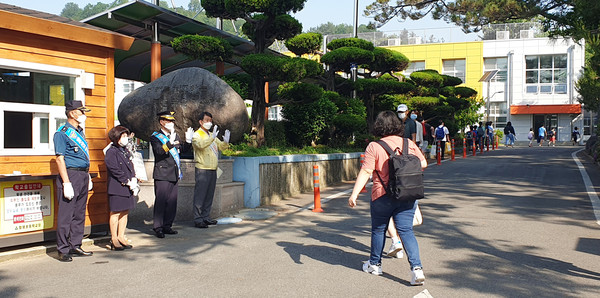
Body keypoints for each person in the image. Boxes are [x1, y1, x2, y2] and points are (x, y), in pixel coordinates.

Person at [348, 110, 427, 286]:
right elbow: (423, 163)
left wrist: (354, 194)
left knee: (378, 230)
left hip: (382, 195)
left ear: (378, 126)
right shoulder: (408, 143)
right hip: (406, 194)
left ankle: (375, 264)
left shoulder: (374, 147)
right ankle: (417, 269)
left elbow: (367, 171)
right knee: (406, 231)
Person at [53, 100, 94, 262]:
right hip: (70, 175)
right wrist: (66, 182)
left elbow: (83, 156)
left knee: (79, 213)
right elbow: (59, 159)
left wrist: (88, 174)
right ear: (72, 113)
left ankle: (75, 244)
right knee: (66, 215)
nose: (84, 115)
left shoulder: (80, 132)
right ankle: (63, 249)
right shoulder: (62, 133)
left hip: (82, 175)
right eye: (81, 112)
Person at [149, 111, 192, 238]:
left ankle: (167, 225)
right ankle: (158, 227)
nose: (171, 123)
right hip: (162, 173)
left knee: (172, 202)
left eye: (172, 121)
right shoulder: (156, 137)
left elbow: (182, 151)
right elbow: (159, 152)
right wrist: (169, 143)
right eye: (169, 121)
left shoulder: (175, 135)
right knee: (161, 201)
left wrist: (188, 141)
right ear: (162, 122)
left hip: (173, 173)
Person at [191, 112, 230, 228]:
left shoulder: (212, 134)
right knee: (200, 195)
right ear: (200, 122)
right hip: (202, 168)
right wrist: (211, 139)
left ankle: (206, 217)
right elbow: (200, 145)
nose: (209, 123)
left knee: (209, 195)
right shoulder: (196, 135)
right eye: (207, 120)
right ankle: (198, 219)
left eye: (211, 121)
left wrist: (226, 142)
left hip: (213, 168)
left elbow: (221, 147)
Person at [104, 126, 139, 250]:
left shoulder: (125, 150)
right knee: (116, 212)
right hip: (117, 186)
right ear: (116, 137)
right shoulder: (111, 151)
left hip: (128, 185)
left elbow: (131, 165)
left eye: (126, 136)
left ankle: (121, 236)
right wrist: (126, 180)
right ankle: (114, 238)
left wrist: (134, 178)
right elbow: (113, 168)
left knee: (125, 212)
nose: (125, 138)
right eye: (123, 136)